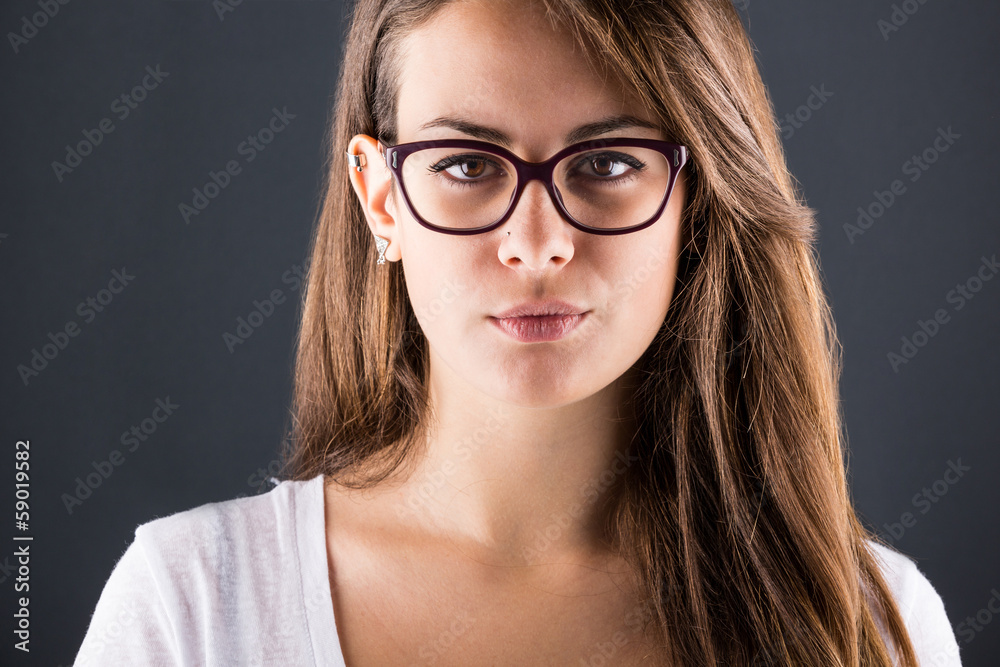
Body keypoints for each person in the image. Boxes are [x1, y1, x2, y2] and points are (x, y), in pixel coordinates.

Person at [74, 0, 964, 665]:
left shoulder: (870, 629)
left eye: (607, 163)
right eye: (464, 164)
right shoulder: (187, 611)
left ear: (694, 201)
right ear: (381, 200)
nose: (537, 244)